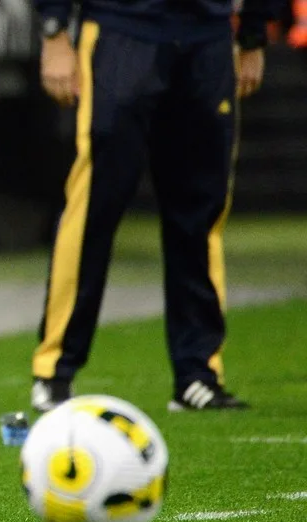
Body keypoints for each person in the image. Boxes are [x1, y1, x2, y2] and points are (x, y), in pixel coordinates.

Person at [29, 0, 280, 413]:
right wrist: (55, 30)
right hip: (121, 29)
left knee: (200, 213)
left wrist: (253, 31)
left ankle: (197, 374)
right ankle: (54, 370)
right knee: (95, 204)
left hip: (208, 36)